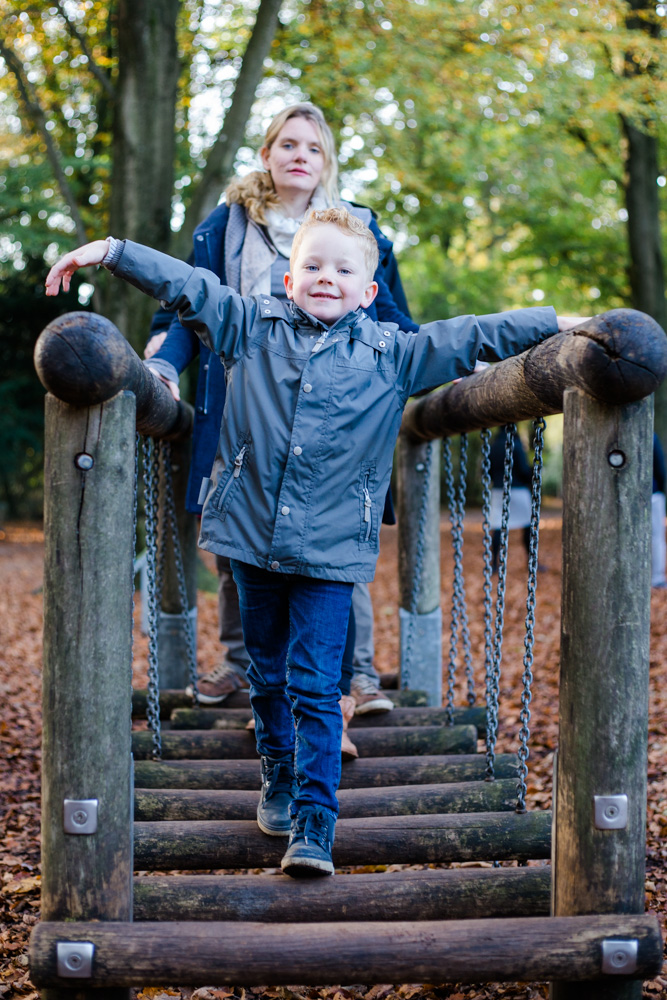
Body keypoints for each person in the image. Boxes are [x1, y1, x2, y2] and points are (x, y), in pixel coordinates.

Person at [45, 206, 585, 878]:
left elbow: (472, 335)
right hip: (249, 542)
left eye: (343, 269)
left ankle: (313, 822)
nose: (325, 277)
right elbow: (188, 286)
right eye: (312, 265)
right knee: (265, 675)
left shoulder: (393, 354)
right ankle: (276, 774)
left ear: (367, 291)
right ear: (288, 275)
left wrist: (559, 323)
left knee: (314, 684)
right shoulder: (249, 327)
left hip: (331, 554)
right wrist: (112, 250)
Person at [145, 103, 408, 716]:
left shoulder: (358, 228)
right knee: (238, 542)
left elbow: (395, 322)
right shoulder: (228, 225)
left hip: (339, 415)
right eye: (287, 144)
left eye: (313, 148)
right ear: (266, 154)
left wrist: (459, 364)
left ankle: (357, 677)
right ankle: (242, 664)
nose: (299, 156)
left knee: (339, 546)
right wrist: (162, 362)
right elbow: (191, 308)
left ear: (327, 161)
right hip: (245, 408)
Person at [489, 425, 533, 573]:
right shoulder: (516, 445)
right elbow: (523, 470)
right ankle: (531, 560)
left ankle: (494, 563)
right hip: (518, 489)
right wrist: (533, 472)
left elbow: (488, 471)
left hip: (498, 490)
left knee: (497, 527)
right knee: (527, 526)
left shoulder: (493, 446)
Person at [652, 433, 667, 589]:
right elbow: (660, 468)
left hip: (633, 496)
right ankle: (657, 578)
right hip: (653, 494)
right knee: (656, 538)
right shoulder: (652, 436)